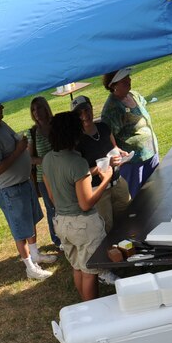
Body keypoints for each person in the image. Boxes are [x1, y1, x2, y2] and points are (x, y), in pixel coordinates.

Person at [0, 103, 56, 280]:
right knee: (20, 229)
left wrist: (20, 146)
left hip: (23, 183)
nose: (3, 107)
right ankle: (30, 267)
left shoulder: (0, 124)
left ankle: (35, 254)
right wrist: (19, 149)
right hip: (10, 190)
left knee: (30, 222)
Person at [42, 112, 113, 301]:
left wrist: (90, 173)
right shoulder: (77, 162)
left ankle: (85, 309)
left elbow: (52, 195)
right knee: (89, 271)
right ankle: (92, 312)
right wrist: (105, 180)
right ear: (75, 133)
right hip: (83, 225)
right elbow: (86, 203)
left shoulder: (48, 159)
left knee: (77, 267)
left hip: (62, 222)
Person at [72, 95, 130, 285]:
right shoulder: (77, 141)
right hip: (99, 189)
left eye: (86, 109)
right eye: (79, 113)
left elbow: (114, 147)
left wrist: (121, 153)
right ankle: (106, 270)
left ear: (91, 108)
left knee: (125, 221)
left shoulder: (103, 127)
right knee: (105, 228)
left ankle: (126, 257)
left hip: (118, 182)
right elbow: (80, 173)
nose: (84, 115)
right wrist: (101, 168)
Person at [100, 67, 161, 198]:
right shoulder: (112, 108)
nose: (129, 80)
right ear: (114, 85)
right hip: (134, 162)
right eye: (124, 80)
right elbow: (107, 135)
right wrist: (116, 149)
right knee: (140, 198)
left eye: (128, 77)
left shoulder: (134, 95)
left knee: (158, 190)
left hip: (151, 152)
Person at [27, 97, 62, 248]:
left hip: (63, 172)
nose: (37, 112)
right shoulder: (32, 132)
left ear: (46, 108)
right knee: (52, 208)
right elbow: (29, 159)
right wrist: (46, 160)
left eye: (39, 108)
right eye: (33, 110)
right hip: (44, 177)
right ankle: (58, 240)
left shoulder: (58, 125)